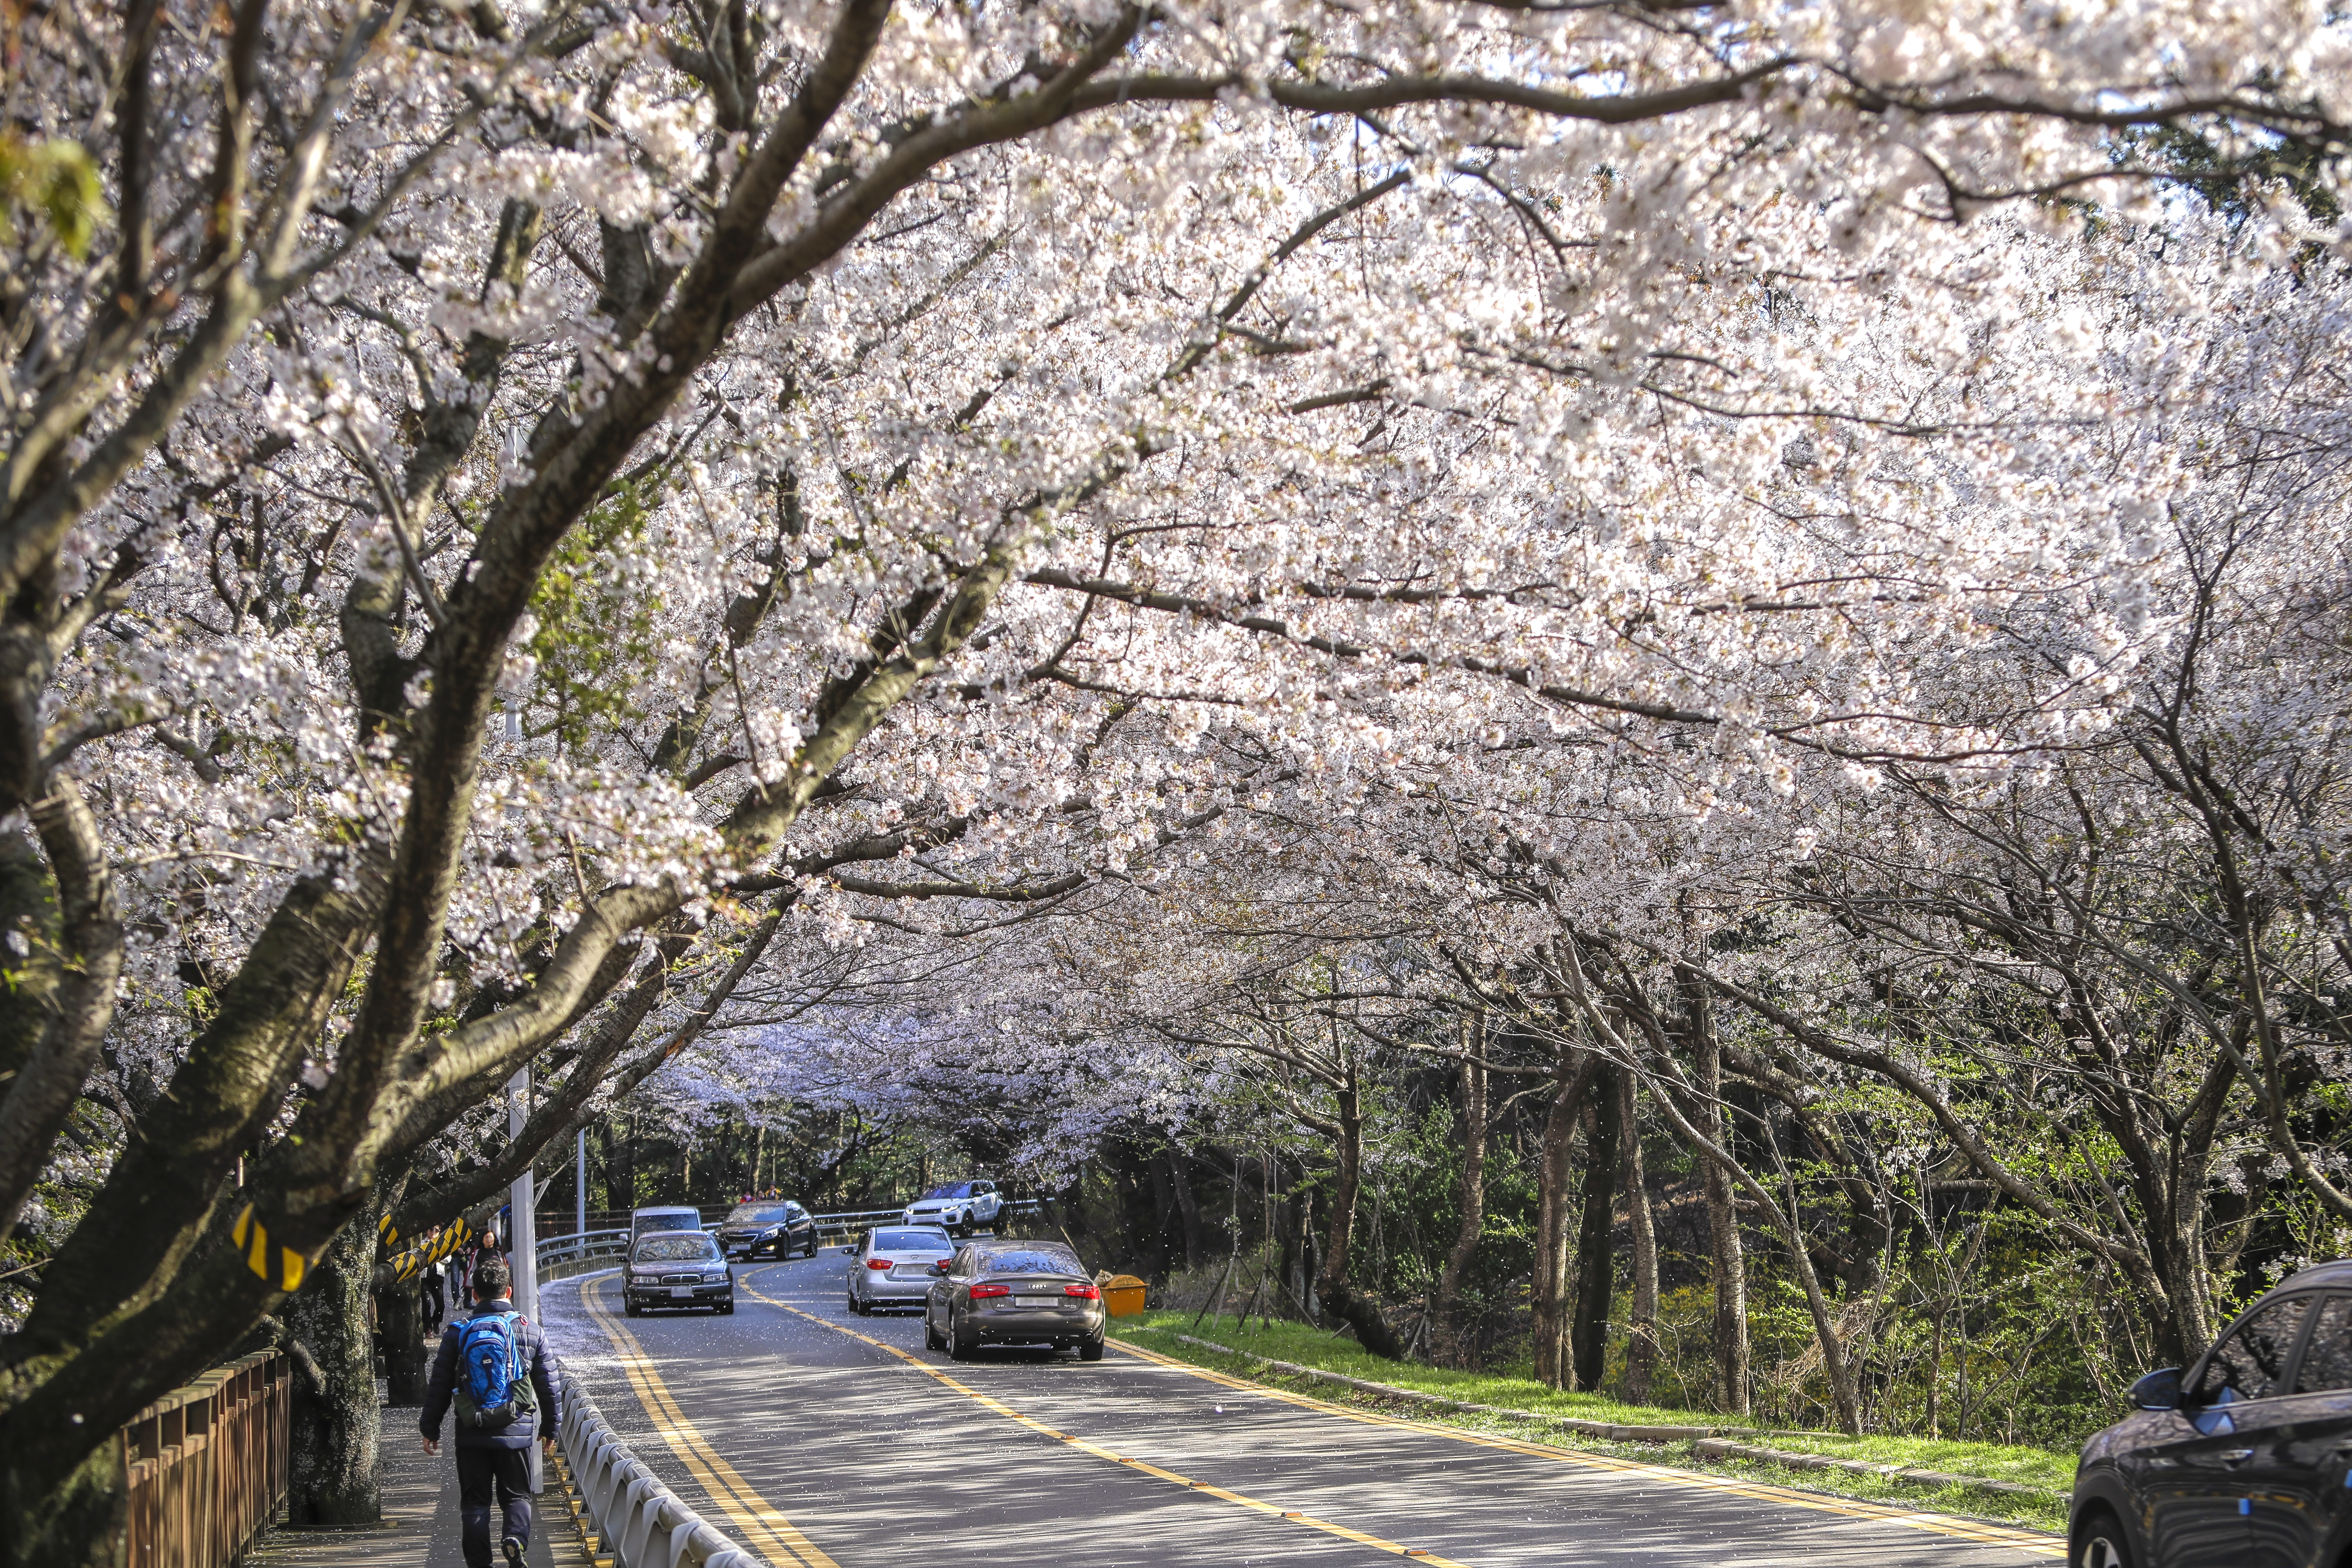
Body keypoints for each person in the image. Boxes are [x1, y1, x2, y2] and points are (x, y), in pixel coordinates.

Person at [421, 1256, 559, 1568]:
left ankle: (480, 1564)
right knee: (517, 1497)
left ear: (475, 1295)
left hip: (472, 1432)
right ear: (508, 1292)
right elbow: (549, 1383)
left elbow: (441, 1384)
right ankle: (514, 1539)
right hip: (516, 1432)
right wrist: (551, 1426)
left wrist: (430, 1427)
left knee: (474, 1504)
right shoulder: (530, 1331)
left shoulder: (458, 1333)